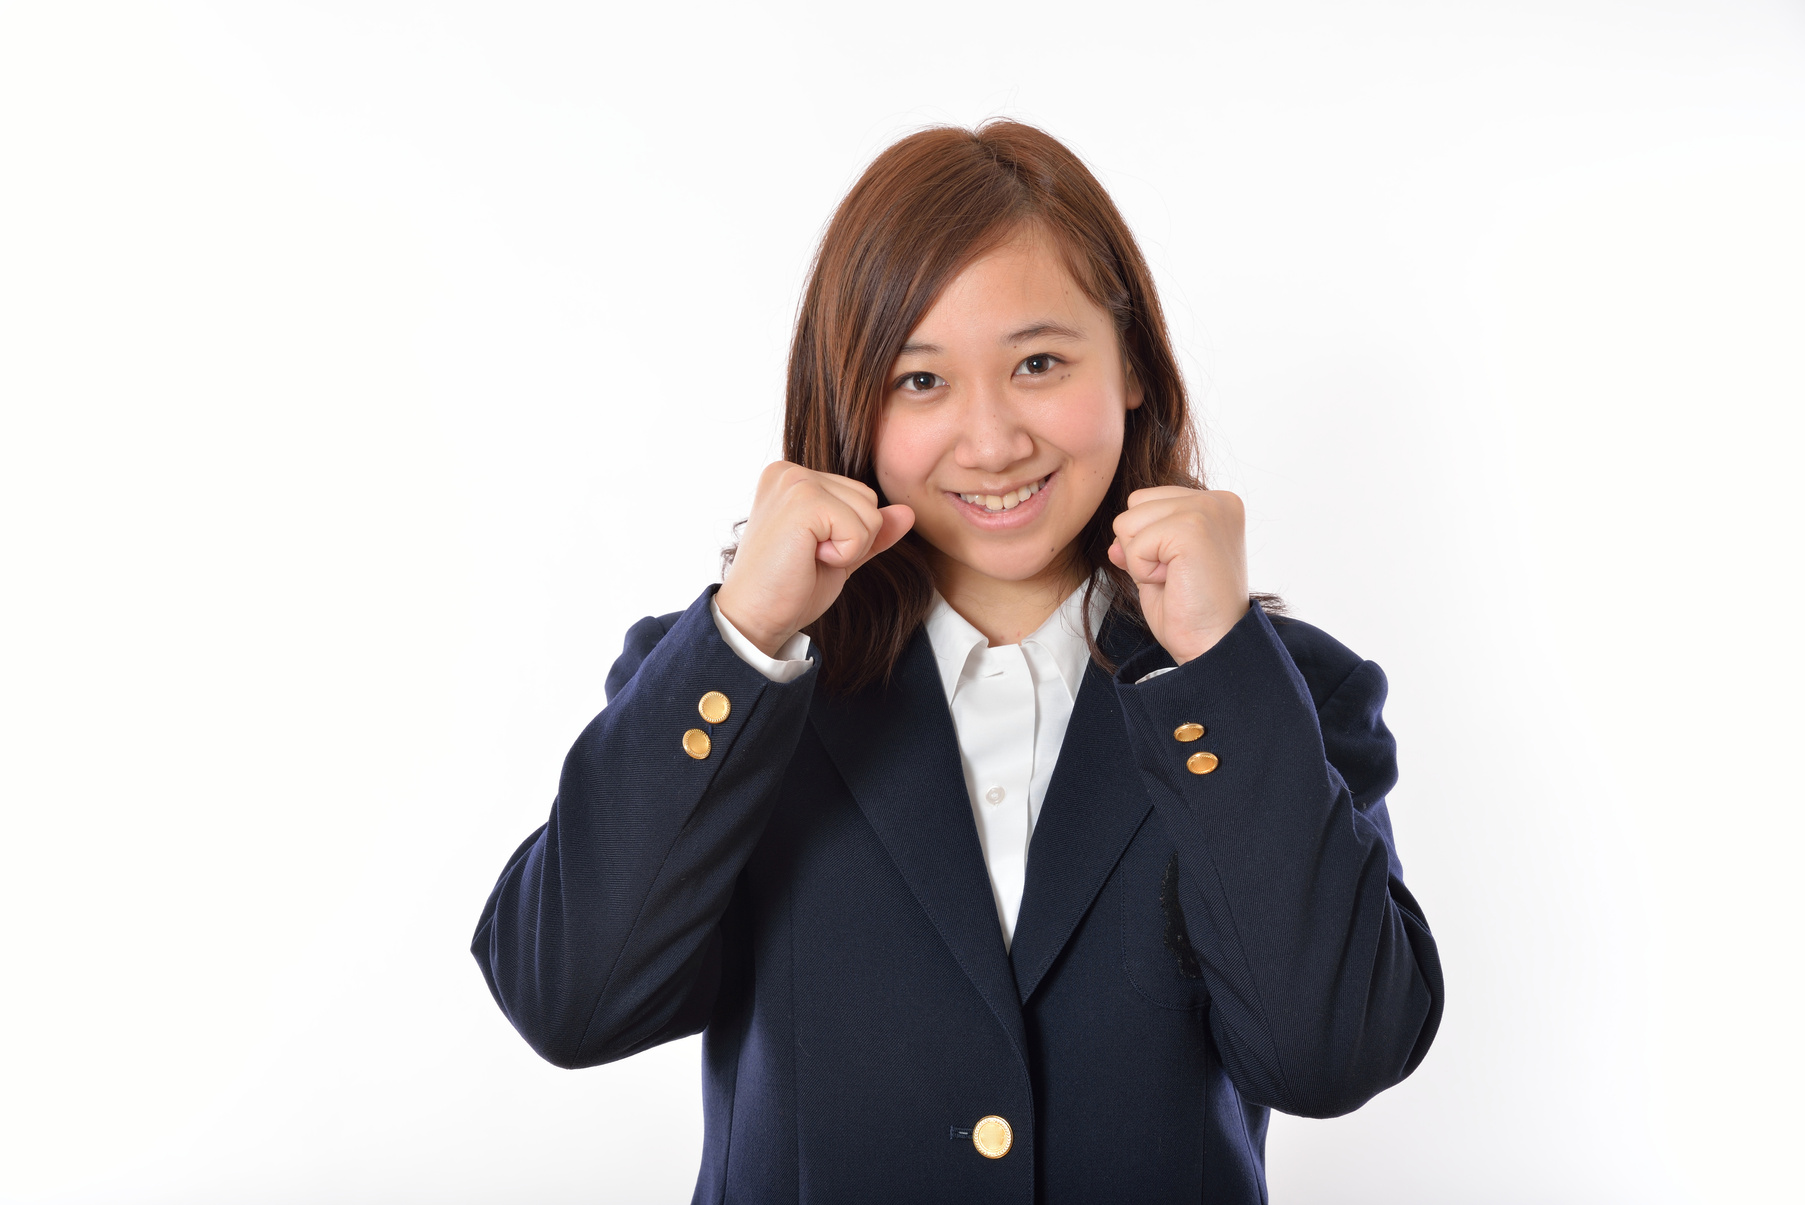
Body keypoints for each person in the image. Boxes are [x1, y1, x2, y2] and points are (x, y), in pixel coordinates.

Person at [472, 120, 1443, 1204]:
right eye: (919, 380)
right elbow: (568, 1000)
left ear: (1130, 366)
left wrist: (1217, 665)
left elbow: (1334, 1055)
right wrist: (746, 629)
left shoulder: (1272, 692)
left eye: (1037, 363)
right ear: (850, 404)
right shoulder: (735, 681)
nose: (988, 441)